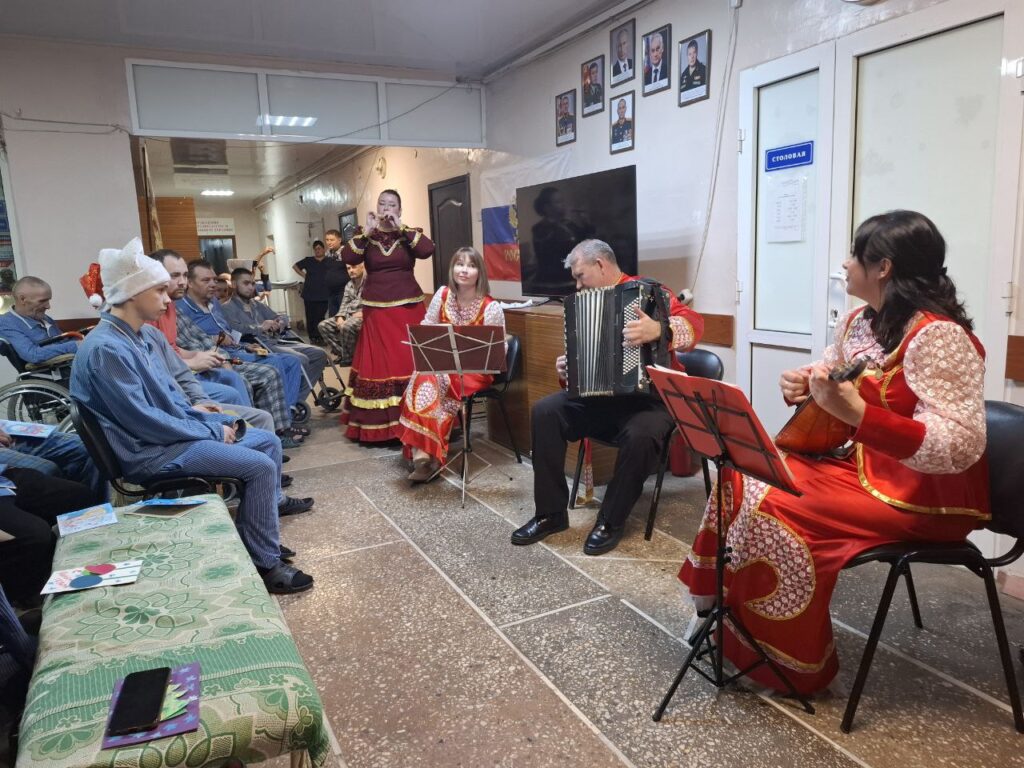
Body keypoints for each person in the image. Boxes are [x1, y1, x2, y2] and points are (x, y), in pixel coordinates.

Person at [680, 210, 988, 695]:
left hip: (921, 497)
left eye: (853, 255)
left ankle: (783, 660)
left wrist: (861, 417)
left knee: (776, 501)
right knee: (744, 473)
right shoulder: (859, 323)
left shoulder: (940, 337)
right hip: (863, 471)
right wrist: (802, 382)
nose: (844, 264)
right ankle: (724, 615)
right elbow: (829, 374)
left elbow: (961, 443)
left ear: (883, 267)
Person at [70, 238, 314, 594]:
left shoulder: (143, 335)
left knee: (267, 442)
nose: (168, 299)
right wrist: (212, 431)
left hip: (167, 436)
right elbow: (144, 421)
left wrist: (210, 419)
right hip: (148, 452)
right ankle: (265, 563)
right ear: (133, 294)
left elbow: (173, 393)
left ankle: (258, 538)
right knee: (259, 466)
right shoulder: (107, 348)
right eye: (159, 291)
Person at [511, 239, 704, 556]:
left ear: (600, 264)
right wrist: (568, 368)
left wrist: (660, 330)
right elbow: (586, 363)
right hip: (601, 400)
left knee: (642, 434)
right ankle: (550, 514)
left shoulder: (649, 291)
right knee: (546, 411)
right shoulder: (582, 304)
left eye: (580, 275)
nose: (577, 285)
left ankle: (610, 521)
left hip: (651, 400)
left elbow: (696, 325)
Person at [398, 247, 505, 482]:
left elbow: (498, 351)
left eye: (471, 265)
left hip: (475, 370)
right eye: (459, 264)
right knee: (423, 374)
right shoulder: (442, 295)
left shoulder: (491, 306)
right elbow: (426, 326)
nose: (464, 270)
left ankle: (425, 454)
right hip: (443, 364)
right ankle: (424, 452)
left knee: (435, 378)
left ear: (480, 272)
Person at [340, 189, 435, 443]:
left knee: (409, 361)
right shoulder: (366, 236)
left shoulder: (408, 234)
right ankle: (384, 429)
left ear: (399, 210)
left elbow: (427, 250)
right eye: (382, 204)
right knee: (382, 364)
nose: (386, 208)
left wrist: (401, 227)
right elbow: (347, 257)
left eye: (392, 204)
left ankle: (419, 420)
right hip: (376, 311)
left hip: (409, 309)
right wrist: (367, 232)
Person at [223, 267, 327, 390]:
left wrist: (279, 322)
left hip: (277, 341)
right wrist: (261, 327)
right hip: (258, 346)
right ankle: (290, 395)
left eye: (252, 283)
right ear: (234, 284)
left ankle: (298, 395)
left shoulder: (256, 304)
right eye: (246, 283)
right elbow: (236, 329)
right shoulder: (226, 308)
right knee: (301, 359)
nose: (251, 287)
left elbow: (280, 317)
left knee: (319, 354)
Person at [0, 276, 80, 372]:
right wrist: (75, 345)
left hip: (69, 367)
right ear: (22, 299)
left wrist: (84, 340)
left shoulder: (44, 318)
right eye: (42, 301)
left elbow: (62, 342)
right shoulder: (6, 323)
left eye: (48, 300)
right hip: (50, 374)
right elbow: (33, 355)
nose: (48, 306)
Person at [318, 261, 365, 366]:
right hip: (349, 315)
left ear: (363, 266)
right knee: (323, 325)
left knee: (347, 326)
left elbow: (375, 301)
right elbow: (344, 302)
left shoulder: (370, 282)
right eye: (348, 268)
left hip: (363, 315)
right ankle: (343, 354)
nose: (351, 270)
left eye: (354, 267)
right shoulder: (349, 284)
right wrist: (340, 316)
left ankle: (349, 358)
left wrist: (364, 312)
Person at [293, 240, 331, 344]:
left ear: (323, 249)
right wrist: (304, 275)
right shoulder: (308, 260)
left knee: (320, 316)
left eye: (319, 248)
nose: (318, 250)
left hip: (324, 294)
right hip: (310, 294)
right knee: (310, 316)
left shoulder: (329, 261)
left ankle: (320, 337)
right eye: (315, 249)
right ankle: (313, 337)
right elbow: (295, 266)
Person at [323, 229, 350, 318]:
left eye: (332, 240)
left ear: (339, 240)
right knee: (333, 318)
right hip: (331, 293)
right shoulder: (328, 253)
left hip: (343, 292)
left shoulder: (346, 252)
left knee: (343, 318)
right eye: (327, 240)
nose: (329, 242)